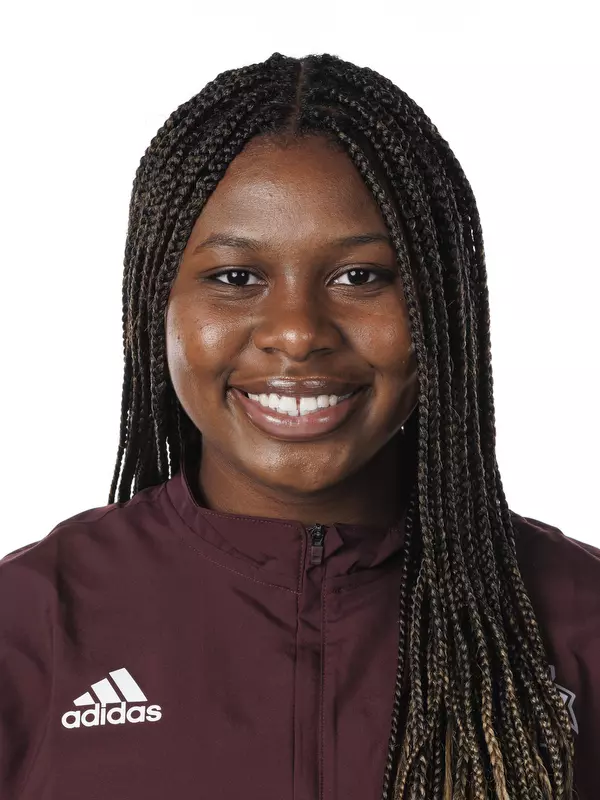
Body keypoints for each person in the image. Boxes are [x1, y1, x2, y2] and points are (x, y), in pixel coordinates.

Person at [0, 51, 597, 800]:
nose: (297, 332)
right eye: (236, 277)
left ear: (444, 308)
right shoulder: (28, 623)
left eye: (361, 277)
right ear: (154, 305)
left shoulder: (583, 619)